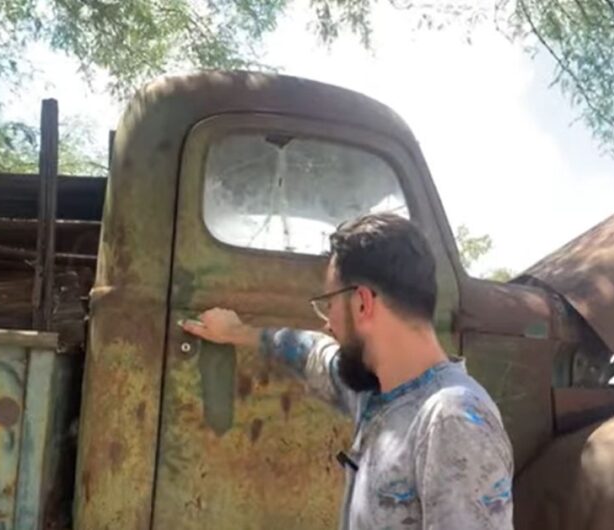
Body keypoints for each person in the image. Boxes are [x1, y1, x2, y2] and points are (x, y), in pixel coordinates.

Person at [182, 212, 514, 530]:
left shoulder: (451, 419)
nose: (327, 324)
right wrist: (235, 332)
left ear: (362, 303)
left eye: (329, 305)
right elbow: (309, 351)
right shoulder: (374, 392)